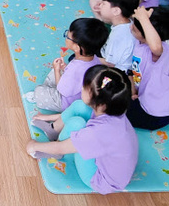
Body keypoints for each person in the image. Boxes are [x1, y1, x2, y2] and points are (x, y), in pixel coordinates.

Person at [26, 66, 138, 195]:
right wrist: (51, 117)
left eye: (84, 87)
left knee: (76, 124)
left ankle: (57, 149)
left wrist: (33, 145)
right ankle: (53, 128)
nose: (80, 89)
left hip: (99, 179)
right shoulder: (114, 110)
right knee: (80, 106)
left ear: (97, 100)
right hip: (111, 158)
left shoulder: (100, 133)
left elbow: (61, 148)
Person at [24, 18, 108, 112]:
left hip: (66, 102)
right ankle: (49, 89)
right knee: (56, 72)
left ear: (77, 47)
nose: (66, 37)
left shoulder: (75, 69)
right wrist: (64, 68)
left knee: (39, 90)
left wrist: (57, 70)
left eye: (67, 36)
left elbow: (62, 91)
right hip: (77, 92)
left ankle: (41, 96)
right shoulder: (94, 59)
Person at [127, 7, 169, 130]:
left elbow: (155, 46)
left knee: (109, 107)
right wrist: (133, 90)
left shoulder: (158, 51)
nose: (131, 28)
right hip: (145, 98)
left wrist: (144, 19)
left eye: (134, 28)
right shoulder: (140, 42)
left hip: (155, 115)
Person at [89, 0, 140, 71]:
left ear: (116, 11)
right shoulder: (126, 22)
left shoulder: (118, 36)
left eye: (103, 4)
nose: (100, 5)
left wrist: (90, 59)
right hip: (107, 53)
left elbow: (110, 63)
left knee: (77, 57)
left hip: (114, 69)